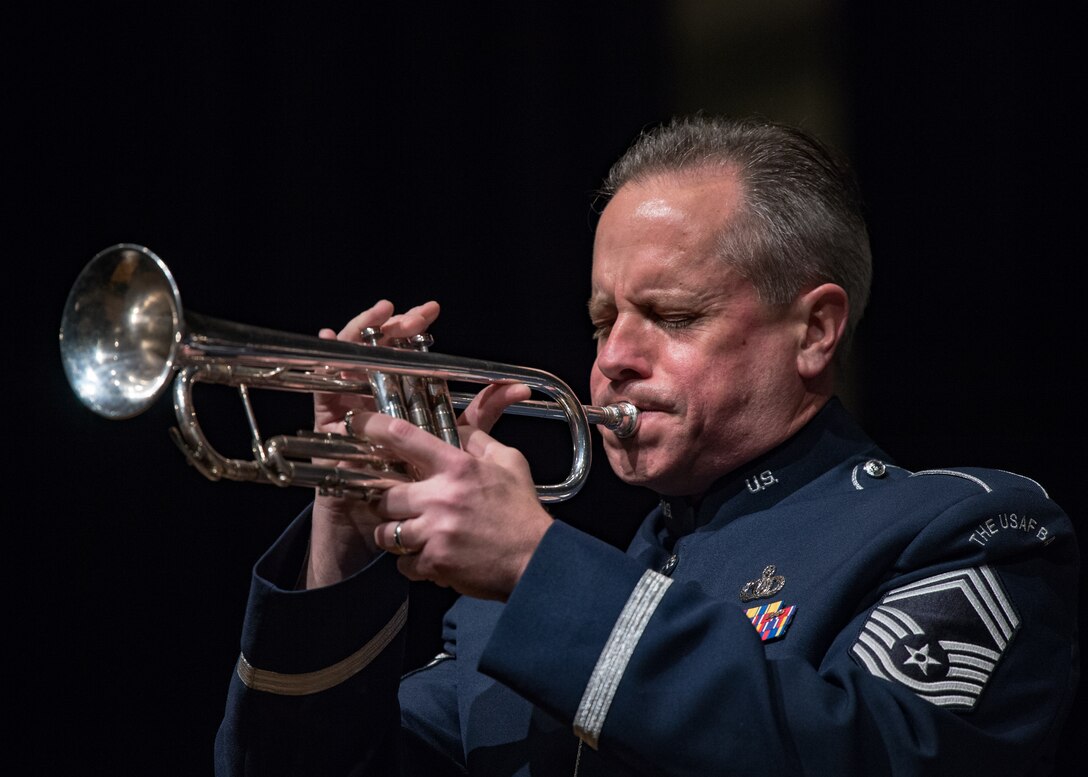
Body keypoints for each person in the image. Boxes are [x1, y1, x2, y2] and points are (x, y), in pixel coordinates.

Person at [214, 115, 1079, 776]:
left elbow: (873, 753)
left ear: (815, 330)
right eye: (602, 321)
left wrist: (533, 563)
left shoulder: (967, 531)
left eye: (671, 316)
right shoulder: (500, 613)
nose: (613, 358)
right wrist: (344, 531)